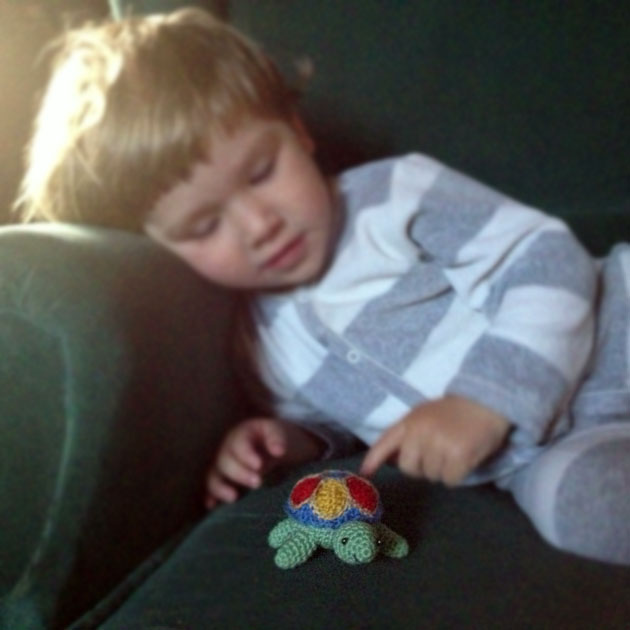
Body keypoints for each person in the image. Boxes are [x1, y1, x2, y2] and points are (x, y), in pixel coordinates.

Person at [15, 7, 630, 565]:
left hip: (613, 328)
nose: (260, 223)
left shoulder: (393, 197)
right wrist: (291, 441)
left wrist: (485, 401)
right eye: (204, 225)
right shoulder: (262, 344)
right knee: (585, 513)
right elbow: (349, 424)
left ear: (297, 130)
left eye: (262, 171)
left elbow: (547, 261)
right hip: (547, 453)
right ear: (161, 250)